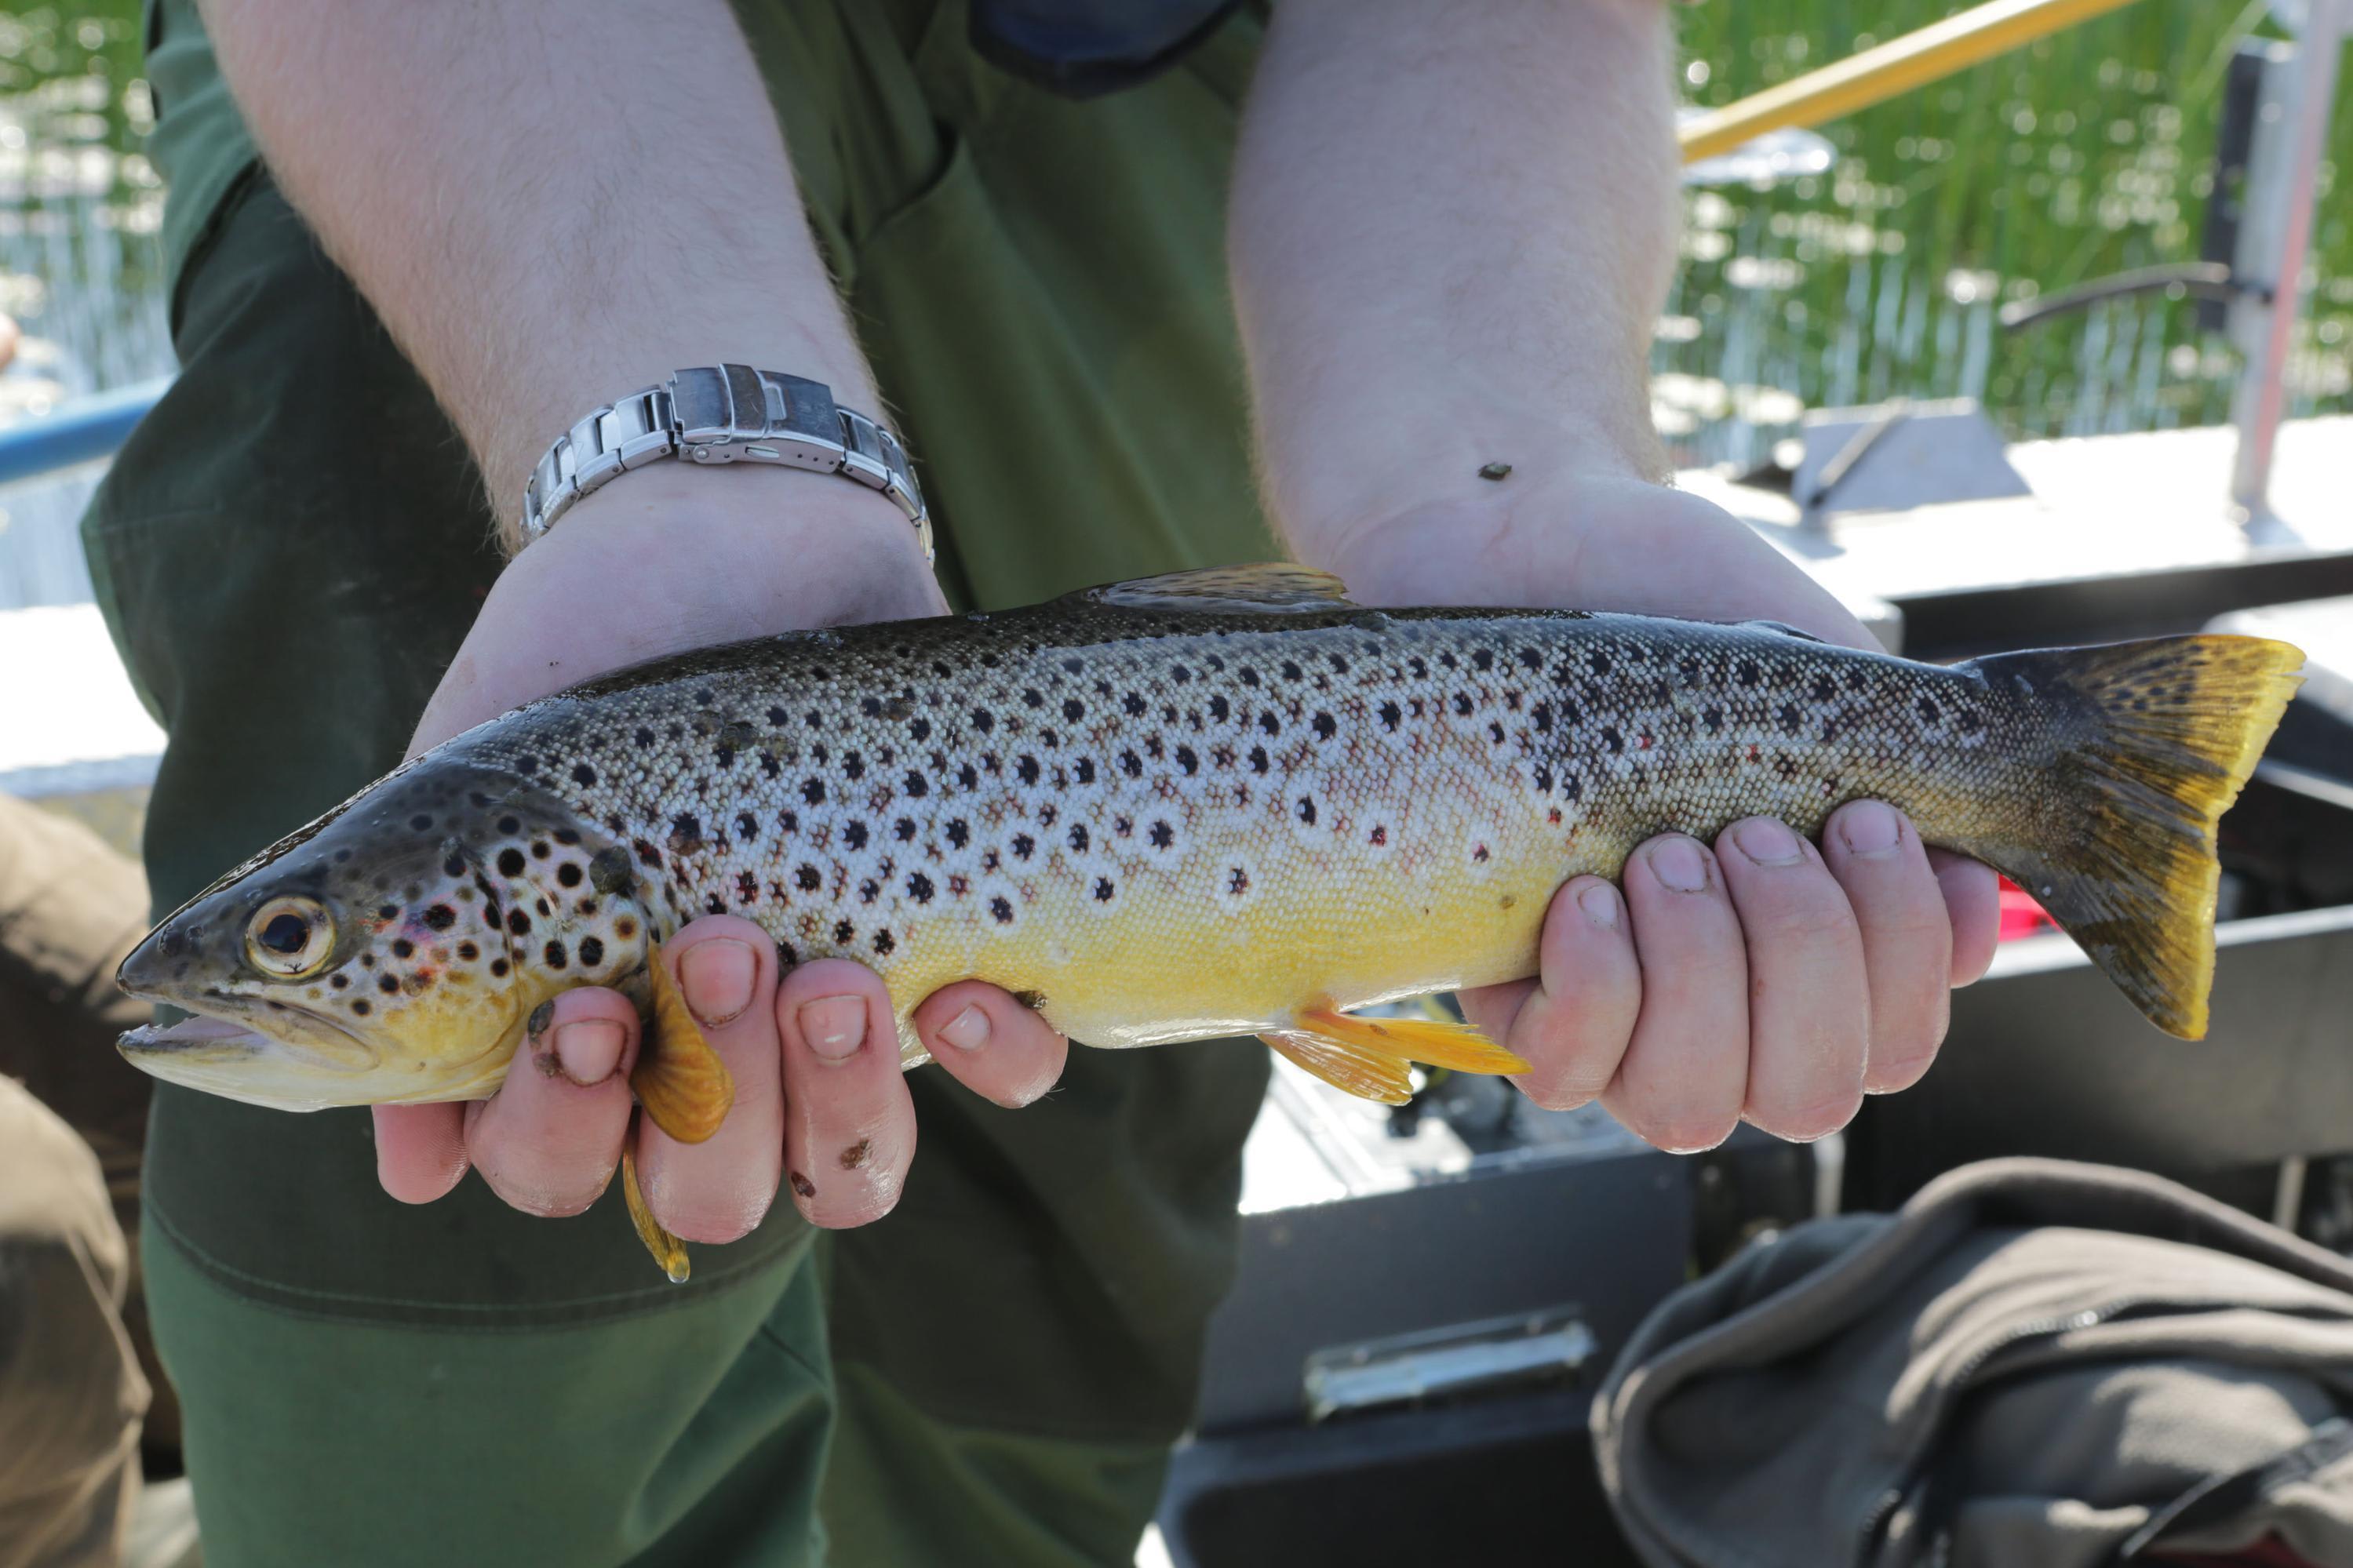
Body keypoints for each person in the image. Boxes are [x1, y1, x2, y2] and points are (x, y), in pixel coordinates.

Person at [84, 2, 1998, 1563]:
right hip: (468, 78)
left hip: (1228, 115)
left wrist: (1495, 480)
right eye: (296, 934)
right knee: (370, 613)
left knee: (1054, 1251)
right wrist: (683, 454)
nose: (268, 960)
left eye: (298, 935)